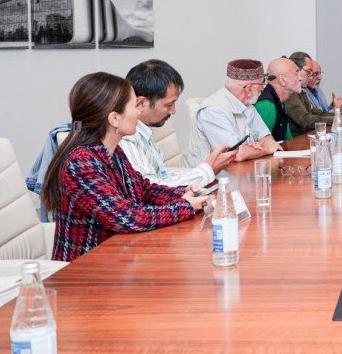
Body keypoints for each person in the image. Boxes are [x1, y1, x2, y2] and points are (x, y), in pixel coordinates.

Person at [42, 72, 214, 262]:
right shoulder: (81, 163)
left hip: (119, 255)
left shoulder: (113, 152)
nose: (139, 112)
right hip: (87, 267)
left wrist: (183, 193)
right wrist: (185, 206)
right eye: (134, 106)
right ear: (114, 119)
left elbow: (144, 189)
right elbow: (126, 217)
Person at [121, 60, 236, 188]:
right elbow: (151, 188)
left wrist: (208, 168)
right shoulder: (126, 138)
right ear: (140, 103)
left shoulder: (142, 132)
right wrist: (208, 170)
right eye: (169, 105)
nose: (173, 111)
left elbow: (162, 176)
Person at [185, 59, 280, 167]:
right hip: (209, 177)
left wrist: (253, 150)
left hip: (240, 171)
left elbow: (267, 139)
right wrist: (266, 149)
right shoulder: (213, 111)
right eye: (262, 83)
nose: (263, 88)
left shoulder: (249, 107)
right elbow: (234, 154)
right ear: (249, 89)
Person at [285, 52, 342, 135]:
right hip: (297, 140)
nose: (311, 76)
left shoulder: (302, 91)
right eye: (309, 72)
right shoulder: (290, 92)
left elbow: (319, 113)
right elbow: (305, 120)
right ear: (296, 70)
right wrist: (340, 119)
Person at [253, 57, 302, 141]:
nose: (300, 78)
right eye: (296, 74)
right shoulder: (266, 105)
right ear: (282, 80)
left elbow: (288, 140)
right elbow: (263, 143)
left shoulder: (279, 101)